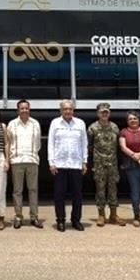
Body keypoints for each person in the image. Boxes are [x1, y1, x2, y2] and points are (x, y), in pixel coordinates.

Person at [48, 99, 88, 231]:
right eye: (65, 109)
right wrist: (51, 162)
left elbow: (84, 144)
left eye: (70, 109)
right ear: (61, 111)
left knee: (77, 195)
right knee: (59, 194)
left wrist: (84, 161)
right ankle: (60, 220)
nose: (68, 111)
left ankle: (76, 220)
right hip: (60, 164)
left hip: (76, 164)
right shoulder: (55, 123)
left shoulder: (80, 123)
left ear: (73, 110)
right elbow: (50, 144)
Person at [86, 103, 125, 227]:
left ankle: (113, 215)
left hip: (112, 163)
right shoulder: (92, 128)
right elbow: (89, 146)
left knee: (113, 189)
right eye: (102, 112)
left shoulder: (114, 127)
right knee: (100, 190)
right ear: (98, 113)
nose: (104, 114)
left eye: (106, 112)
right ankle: (101, 215)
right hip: (99, 164)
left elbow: (118, 147)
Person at [7, 99, 43, 229]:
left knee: (33, 190)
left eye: (26, 108)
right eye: (22, 108)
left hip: (32, 160)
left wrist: (32, 154)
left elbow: (38, 143)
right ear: (18, 110)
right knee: (17, 191)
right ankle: (18, 216)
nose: (24, 110)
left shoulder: (35, 124)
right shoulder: (12, 124)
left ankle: (34, 217)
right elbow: (8, 143)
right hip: (17, 161)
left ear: (29, 109)